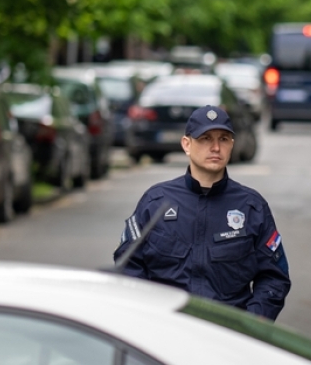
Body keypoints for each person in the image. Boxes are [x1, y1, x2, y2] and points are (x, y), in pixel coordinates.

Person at [114, 106, 291, 320]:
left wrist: (251, 324)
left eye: (224, 139)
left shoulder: (251, 207)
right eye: (205, 138)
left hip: (228, 335)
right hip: (166, 331)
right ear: (186, 145)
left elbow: (274, 277)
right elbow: (128, 267)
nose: (216, 147)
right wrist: (149, 318)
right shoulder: (156, 202)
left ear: (232, 145)